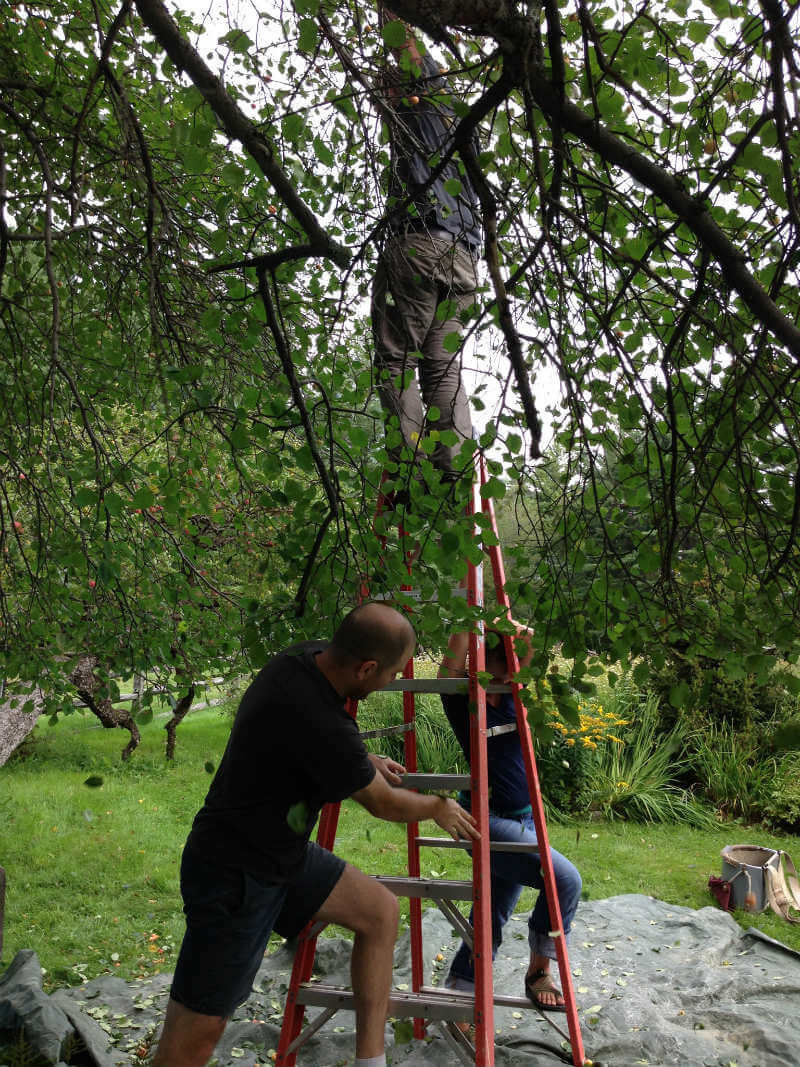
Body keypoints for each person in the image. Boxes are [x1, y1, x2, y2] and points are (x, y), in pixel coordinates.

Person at [151, 601, 478, 1067]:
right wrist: (437, 807)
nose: (392, 681)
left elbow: (320, 742)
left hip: (281, 856)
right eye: (391, 673)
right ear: (366, 667)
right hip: (235, 873)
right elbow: (383, 803)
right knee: (195, 1036)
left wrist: (362, 758)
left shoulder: (301, 661)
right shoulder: (323, 722)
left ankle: (370, 1062)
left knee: (379, 912)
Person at [438, 620, 582, 1013]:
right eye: (507, 657)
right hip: (485, 819)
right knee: (564, 880)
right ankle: (539, 972)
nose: (514, 666)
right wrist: (467, 622)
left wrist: (525, 636)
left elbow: (528, 662)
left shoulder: (518, 696)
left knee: (491, 911)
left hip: (523, 819)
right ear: (485, 659)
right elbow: (446, 673)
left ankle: (460, 990)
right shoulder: (468, 699)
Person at [371, 11, 482, 488]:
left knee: (396, 357)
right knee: (442, 362)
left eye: (384, 93)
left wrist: (388, 9)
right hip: (462, 258)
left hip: (418, 243)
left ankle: (410, 471)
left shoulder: (426, 97)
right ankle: (454, 469)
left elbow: (405, 45)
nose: (381, 103)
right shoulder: (464, 131)